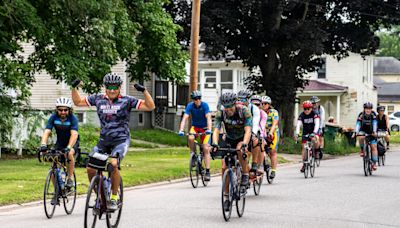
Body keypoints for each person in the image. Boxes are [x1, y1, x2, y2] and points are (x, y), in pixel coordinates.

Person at [71, 73, 155, 210]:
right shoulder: (97, 98)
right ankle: (100, 195)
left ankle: (115, 197)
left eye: (115, 87)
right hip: (104, 140)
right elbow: (78, 102)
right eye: (109, 87)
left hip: (121, 140)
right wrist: (74, 88)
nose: (112, 90)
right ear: (105, 87)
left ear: (119, 87)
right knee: (90, 168)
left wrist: (144, 91)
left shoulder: (127, 100)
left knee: (113, 164)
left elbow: (150, 106)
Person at [211, 92, 252, 210]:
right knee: (224, 167)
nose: (228, 110)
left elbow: (248, 130)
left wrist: (244, 143)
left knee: (240, 150)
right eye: (226, 107)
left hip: (242, 138)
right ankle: (226, 197)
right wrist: (215, 143)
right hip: (229, 138)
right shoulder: (221, 113)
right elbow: (216, 130)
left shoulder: (244, 111)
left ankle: (245, 174)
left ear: (235, 104)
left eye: (230, 107)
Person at [40, 97, 79, 204]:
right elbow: (47, 131)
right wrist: (43, 144)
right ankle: (57, 191)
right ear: (57, 109)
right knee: (53, 165)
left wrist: (69, 147)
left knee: (69, 154)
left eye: (65, 110)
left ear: (69, 110)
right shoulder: (54, 117)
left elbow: (74, 134)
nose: (63, 112)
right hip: (60, 143)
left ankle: (70, 179)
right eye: (60, 109)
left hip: (72, 142)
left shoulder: (72, 118)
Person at [178, 90, 212, 181]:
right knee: (190, 137)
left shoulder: (205, 105)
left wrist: (209, 129)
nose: (197, 100)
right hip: (195, 127)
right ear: (193, 100)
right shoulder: (190, 106)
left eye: (199, 98)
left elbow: (208, 118)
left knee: (205, 148)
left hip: (205, 129)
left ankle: (208, 171)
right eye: (195, 99)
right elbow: (185, 118)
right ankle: (193, 154)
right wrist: (181, 130)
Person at [237, 90, 263, 174]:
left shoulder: (254, 109)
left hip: (252, 129)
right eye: (239, 100)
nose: (241, 102)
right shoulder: (237, 107)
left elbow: (255, 123)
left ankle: (254, 163)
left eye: (243, 100)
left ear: (248, 100)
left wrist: (253, 134)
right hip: (240, 130)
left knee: (255, 141)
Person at [295, 101, 320, 173]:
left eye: (308, 108)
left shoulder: (315, 114)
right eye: (305, 109)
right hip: (305, 132)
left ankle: (317, 151)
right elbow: (298, 125)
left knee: (315, 140)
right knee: (304, 147)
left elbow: (317, 124)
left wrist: (315, 133)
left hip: (314, 130)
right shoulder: (301, 115)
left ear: (311, 108)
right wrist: (297, 133)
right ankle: (304, 163)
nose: (306, 110)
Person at [354, 102, 378, 171]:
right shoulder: (361, 115)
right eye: (366, 109)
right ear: (364, 109)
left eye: (369, 109)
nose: (368, 110)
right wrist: (356, 132)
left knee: (373, 147)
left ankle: (374, 163)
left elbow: (375, 123)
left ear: (371, 109)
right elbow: (358, 124)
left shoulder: (373, 115)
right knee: (361, 137)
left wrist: (374, 131)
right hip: (363, 131)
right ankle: (362, 150)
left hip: (372, 132)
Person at [261, 95, 280, 179]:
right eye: (262, 103)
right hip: (263, 132)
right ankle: (264, 163)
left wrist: (271, 132)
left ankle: (273, 170)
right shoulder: (259, 112)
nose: (263, 105)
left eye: (265, 103)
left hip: (273, 132)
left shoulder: (273, 112)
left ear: (269, 105)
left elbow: (275, 123)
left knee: (272, 151)